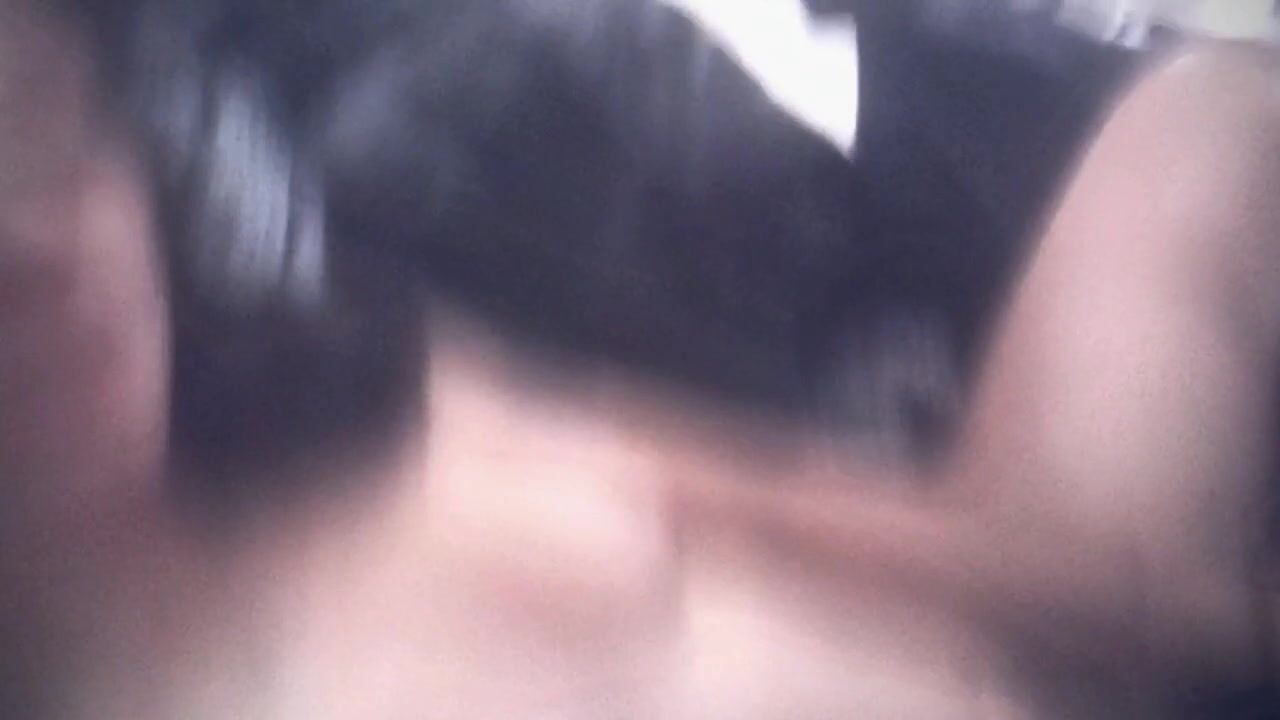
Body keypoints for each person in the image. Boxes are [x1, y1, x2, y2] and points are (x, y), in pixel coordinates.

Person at [0, 0, 1276, 717]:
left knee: (1220, 116)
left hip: (1041, 655)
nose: (39, 244)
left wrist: (1172, 619)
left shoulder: (289, 384)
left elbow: (759, 506)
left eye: (38, 125)